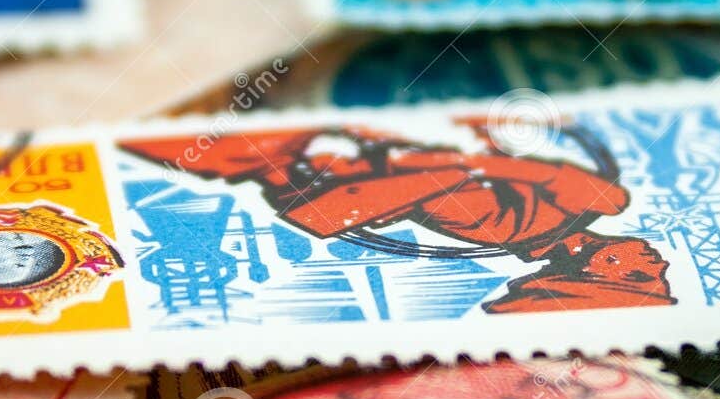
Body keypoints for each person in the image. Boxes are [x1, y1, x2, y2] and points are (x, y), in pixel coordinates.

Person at [120, 125, 674, 313]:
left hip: (312, 165)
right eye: (655, 271)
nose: (658, 258)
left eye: (638, 275)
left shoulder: (508, 228)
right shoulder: (575, 209)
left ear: (591, 265)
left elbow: (426, 186)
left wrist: (387, 156)